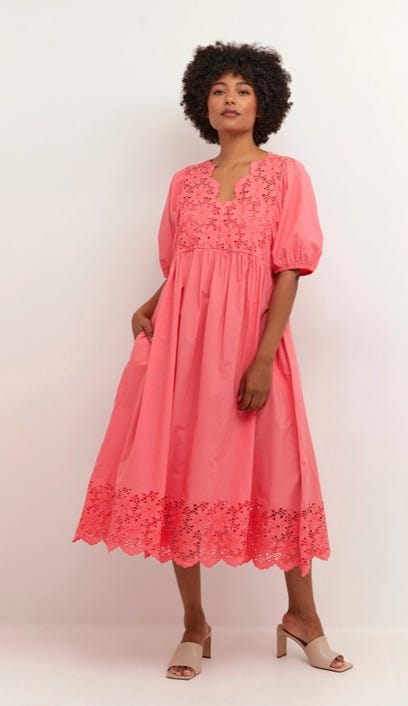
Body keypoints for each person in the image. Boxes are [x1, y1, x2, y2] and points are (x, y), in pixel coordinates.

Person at [72, 40, 353, 679]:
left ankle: (303, 616)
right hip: (185, 348)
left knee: (281, 472)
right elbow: (185, 268)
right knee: (183, 469)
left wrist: (264, 357)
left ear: (263, 103)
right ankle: (194, 625)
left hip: (252, 344)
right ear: (202, 103)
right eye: (218, 90)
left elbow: (288, 270)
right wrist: (150, 305)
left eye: (243, 90)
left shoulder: (287, 176)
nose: (230, 99)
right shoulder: (185, 183)